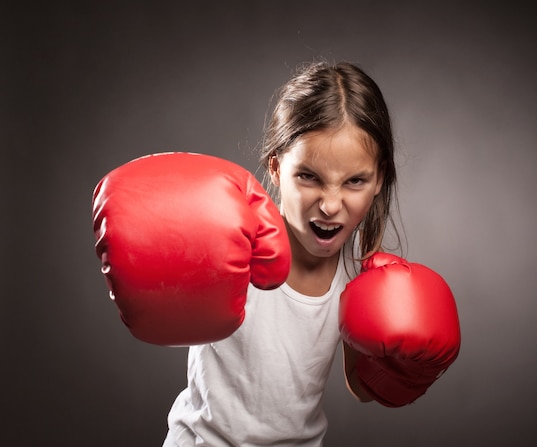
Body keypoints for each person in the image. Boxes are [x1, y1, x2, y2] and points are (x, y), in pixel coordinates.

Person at [92, 61, 461, 447]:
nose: (331, 204)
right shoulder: (235, 244)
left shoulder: (364, 280)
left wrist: (403, 370)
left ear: (379, 179)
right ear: (276, 167)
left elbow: (360, 386)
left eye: (354, 181)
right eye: (309, 176)